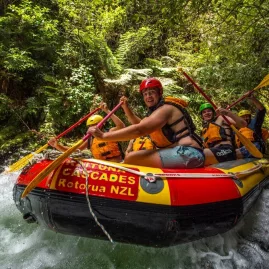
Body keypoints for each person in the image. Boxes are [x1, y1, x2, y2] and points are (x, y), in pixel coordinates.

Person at [87, 77, 205, 169]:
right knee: (133, 156)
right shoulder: (155, 113)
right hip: (180, 151)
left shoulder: (165, 109)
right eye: (145, 94)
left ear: (159, 93)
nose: (148, 96)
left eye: (152, 92)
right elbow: (137, 123)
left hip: (189, 153)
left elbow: (140, 130)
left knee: (131, 158)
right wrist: (125, 107)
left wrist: (103, 136)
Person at [48, 102, 125, 162]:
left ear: (102, 124)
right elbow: (74, 150)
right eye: (90, 125)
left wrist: (107, 110)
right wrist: (57, 145)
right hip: (102, 166)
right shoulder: (89, 139)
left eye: (95, 124)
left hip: (117, 164)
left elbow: (121, 126)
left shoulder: (110, 132)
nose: (92, 127)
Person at [236, 94, 266, 158]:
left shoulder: (254, 123)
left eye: (247, 116)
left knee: (234, 154)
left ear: (250, 117)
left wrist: (252, 98)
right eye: (243, 117)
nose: (246, 118)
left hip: (256, 147)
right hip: (243, 149)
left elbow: (261, 110)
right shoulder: (237, 128)